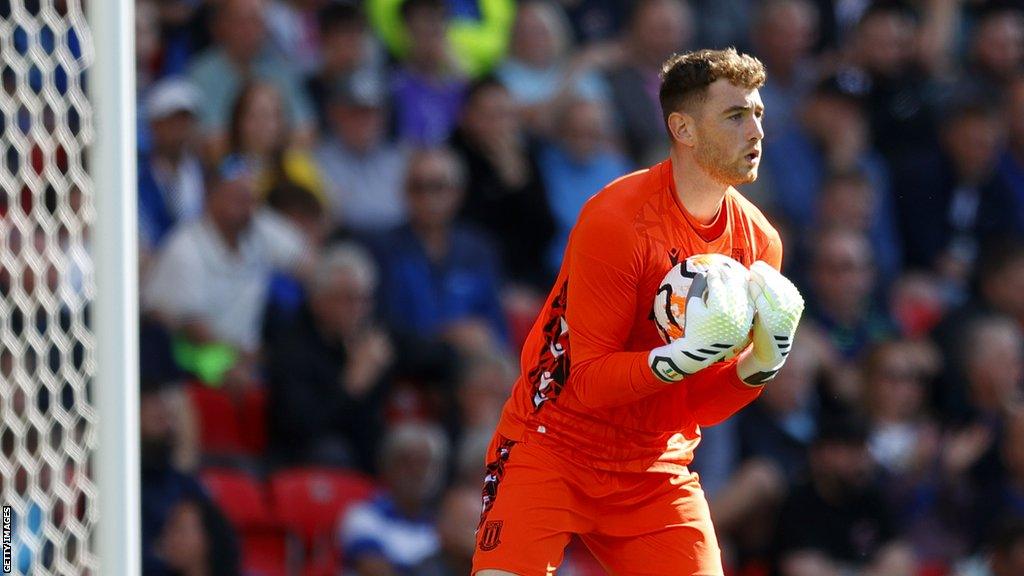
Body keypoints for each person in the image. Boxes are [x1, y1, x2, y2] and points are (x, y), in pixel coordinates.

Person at [472, 48, 805, 576]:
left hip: (655, 464)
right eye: (736, 116)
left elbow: (698, 406)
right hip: (553, 443)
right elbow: (586, 381)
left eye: (758, 114)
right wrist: (680, 357)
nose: (756, 132)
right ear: (684, 129)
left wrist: (759, 366)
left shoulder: (759, 243)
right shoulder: (617, 219)